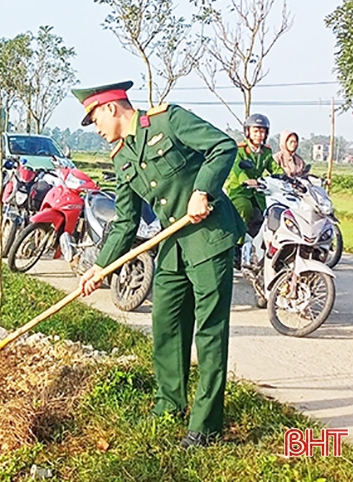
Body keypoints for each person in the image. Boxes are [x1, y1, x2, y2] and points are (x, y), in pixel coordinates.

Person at [74, 81, 244, 449]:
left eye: (94, 118)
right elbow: (124, 221)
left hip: (209, 237)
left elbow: (222, 146)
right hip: (172, 246)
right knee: (166, 324)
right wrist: (100, 267)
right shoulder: (121, 158)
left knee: (209, 330)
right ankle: (170, 403)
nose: (96, 128)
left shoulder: (169, 121)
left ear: (111, 108)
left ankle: (206, 425)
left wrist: (203, 190)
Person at [224, 114, 284, 231]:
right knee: (244, 208)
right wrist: (246, 180)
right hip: (239, 191)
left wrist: (287, 178)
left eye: (262, 132)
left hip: (258, 193)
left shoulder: (265, 152)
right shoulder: (239, 150)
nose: (259, 135)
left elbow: (274, 168)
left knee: (271, 212)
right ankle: (238, 243)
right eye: (255, 131)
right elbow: (237, 168)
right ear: (248, 132)